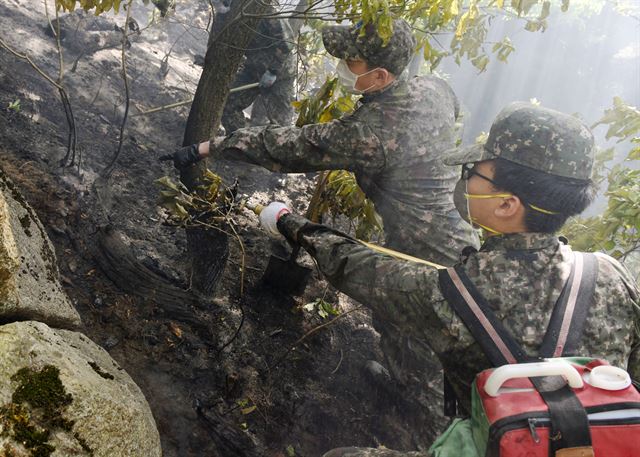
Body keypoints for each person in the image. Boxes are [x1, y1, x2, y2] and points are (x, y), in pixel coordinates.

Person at [256, 102, 640, 457]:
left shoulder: (451, 295)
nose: (464, 179)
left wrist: (288, 222)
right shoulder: (611, 274)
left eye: (473, 173)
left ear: (507, 205)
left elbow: (352, 264)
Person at [162, 17, 478, 429]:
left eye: (351, 62)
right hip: (454, 232)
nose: (343, 67)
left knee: (419, 330)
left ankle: (430, 418)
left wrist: (211, 146)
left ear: (380, 75)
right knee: (393, 318)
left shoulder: (371, 134)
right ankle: (405, 384)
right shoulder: (432, 88)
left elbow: (292, 148)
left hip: (427, 252)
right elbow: (449, 107)